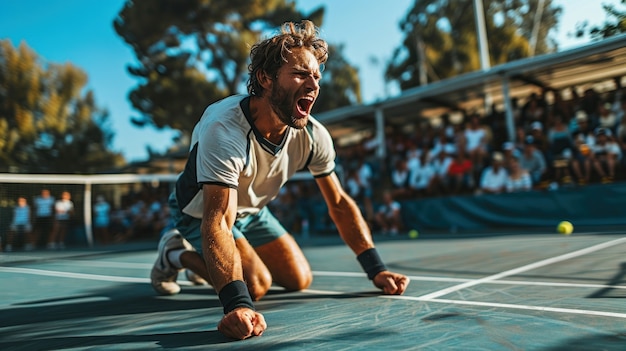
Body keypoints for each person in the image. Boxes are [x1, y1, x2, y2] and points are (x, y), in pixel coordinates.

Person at [149, 21, 409, 340]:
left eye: (316, 76)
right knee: (255, 285)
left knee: (300, 278)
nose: (313, 84)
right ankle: (174, 253)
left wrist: (376, 269)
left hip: (253, 209)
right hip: (201, 209)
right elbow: (217, 221)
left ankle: (199, 261)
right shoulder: (224, 129)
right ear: (265, 79)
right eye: (300, 74)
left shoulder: (314, 135)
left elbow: (339, 204)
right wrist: (237, 305)